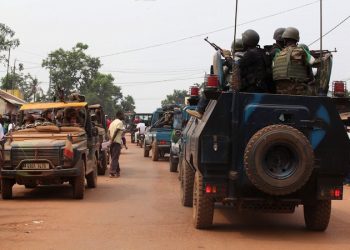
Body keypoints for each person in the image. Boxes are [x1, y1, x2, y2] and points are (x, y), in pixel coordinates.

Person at [272, 27, 322, 95]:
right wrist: (324, 58)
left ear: (284, 40)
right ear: (297, 39)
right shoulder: (301, 51)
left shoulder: (278, 54)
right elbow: (314, 62)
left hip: (280, 91)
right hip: (298, 91)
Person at [239, 29, 274, 93]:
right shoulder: (264, 52)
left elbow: (237, 67)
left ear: (245, 41)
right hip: (265, 88)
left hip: (253, 90)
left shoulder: (249, 54)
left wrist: (227, 58)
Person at [108, 111, 125, 178]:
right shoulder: (120, 122)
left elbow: (108, 132)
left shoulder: (112, 122)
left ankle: (118, 171)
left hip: (112, 142)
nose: (124, 116)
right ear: (120, 115)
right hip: (116, 142)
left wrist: (110, 140)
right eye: (123, 115)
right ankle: (112, 172)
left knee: (114, 157)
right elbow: (116, 131)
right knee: (115, 158)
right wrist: (112, 140)